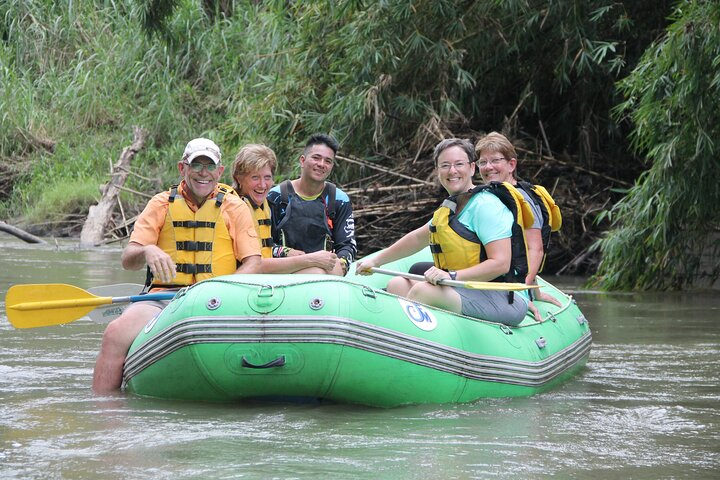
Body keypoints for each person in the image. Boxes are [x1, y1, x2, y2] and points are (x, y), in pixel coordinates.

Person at [92, 138, 261, 393]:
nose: (203, 173)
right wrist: (147, 250)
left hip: (219, 299)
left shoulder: (235, 206)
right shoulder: (160, 203)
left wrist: (222, 288)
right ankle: (103, 412)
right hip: (164, 299)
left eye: (209, 166)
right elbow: (128, 260)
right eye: (196, 165)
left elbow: (253, 262)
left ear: (220, 171)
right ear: (182, 168)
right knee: (114, 333)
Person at [355, 138, 532, 327]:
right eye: (445, 165)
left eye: (459, 164)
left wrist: (452, 276)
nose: (452, 171)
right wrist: (375, 261)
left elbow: (501, 264)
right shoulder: (450, 207)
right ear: (438, 171)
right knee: (397, 285)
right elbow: (416, 238)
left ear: (472, 168)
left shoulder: (486, 206)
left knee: (424, 291)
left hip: (503, 296)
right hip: (462, 288)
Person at [475, 131, 562, 315]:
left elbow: (534, 249)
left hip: (511, 284)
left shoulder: (522, 198)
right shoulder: (489, 195)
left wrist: (523, 292)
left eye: (495, 160)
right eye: (483, 162)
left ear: (511, 164)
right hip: (492, 278)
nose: (488, 167)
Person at [231, 143, 339, 273]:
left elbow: (269, 247)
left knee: (333, 266)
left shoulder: (264, 206)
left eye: (267, 177)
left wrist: (285, 252)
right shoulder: (235, 208)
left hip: (261, 279)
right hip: (238, 283)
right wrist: (311, 259)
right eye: (255, 177)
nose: (262, 185)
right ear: (239, 178)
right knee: (316, 271)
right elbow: (254, 265)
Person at [266, 133, 356, 276]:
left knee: (326, 270)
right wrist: (286, 252)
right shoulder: (276, 197)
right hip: (283, 273)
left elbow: (347, 244)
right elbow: (263, 244)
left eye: (328, 161)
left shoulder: (339, 200)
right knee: (316, 272)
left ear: (332, 166)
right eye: (316, 158)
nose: (321, 164)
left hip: (326, 272)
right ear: (302, 160)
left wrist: (341, 263)